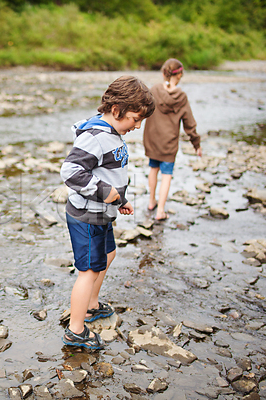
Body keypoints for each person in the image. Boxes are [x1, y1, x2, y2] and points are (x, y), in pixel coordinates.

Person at [60, 76, 155, 349]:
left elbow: (108, 172)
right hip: (87, 215)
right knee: (88, 270)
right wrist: (104, 192)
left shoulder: (112, 133)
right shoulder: (95, 137)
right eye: (135, 119)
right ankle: (76, 330)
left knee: (109, 254)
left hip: (102, 212)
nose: (137, 126)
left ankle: (91, 304)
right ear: (116, 111)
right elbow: (70, 171)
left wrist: (119, 199)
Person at [143, 58, 202, 221]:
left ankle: (151, 201)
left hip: (152, 139)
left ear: (164, 73)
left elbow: (142, 108)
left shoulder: (154, 90)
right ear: (180, 74)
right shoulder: (181, 96)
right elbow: (189, 122)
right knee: (167, 175)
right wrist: (196, 144)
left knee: (153, 169)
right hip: (169, 142)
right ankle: (160, 210)